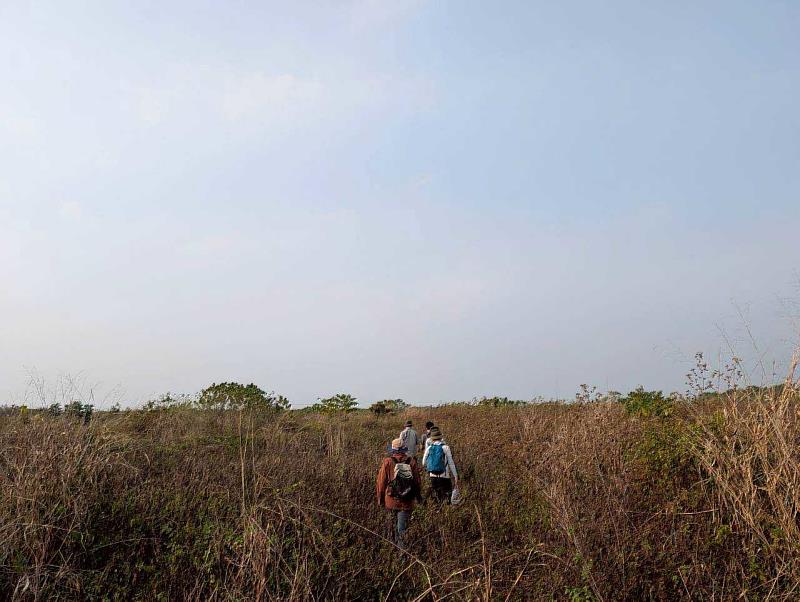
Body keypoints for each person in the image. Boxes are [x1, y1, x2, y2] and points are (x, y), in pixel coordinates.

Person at [376, 437, 422, 548]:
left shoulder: (387, 462)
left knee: (390, 528)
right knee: (402, 530)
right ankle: (402, 555)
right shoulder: (412, 461)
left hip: (390, 501)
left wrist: (380, 499)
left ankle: (391, 552)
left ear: (393, 450)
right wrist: (418, 498)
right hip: (407, 502)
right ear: (404, 449)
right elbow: (417, 482)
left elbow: (381, 483)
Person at [421, 427, 458, 504]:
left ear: (432, 439)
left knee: (437, 496)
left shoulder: (429, 448)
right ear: (440, 438)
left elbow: (423, 462)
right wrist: (455, 475)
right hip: (444, 475)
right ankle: (447, 511)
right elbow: (451, 463)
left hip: (433, 475)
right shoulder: (446, 447)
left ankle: (438, 510)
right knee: (447, 496)